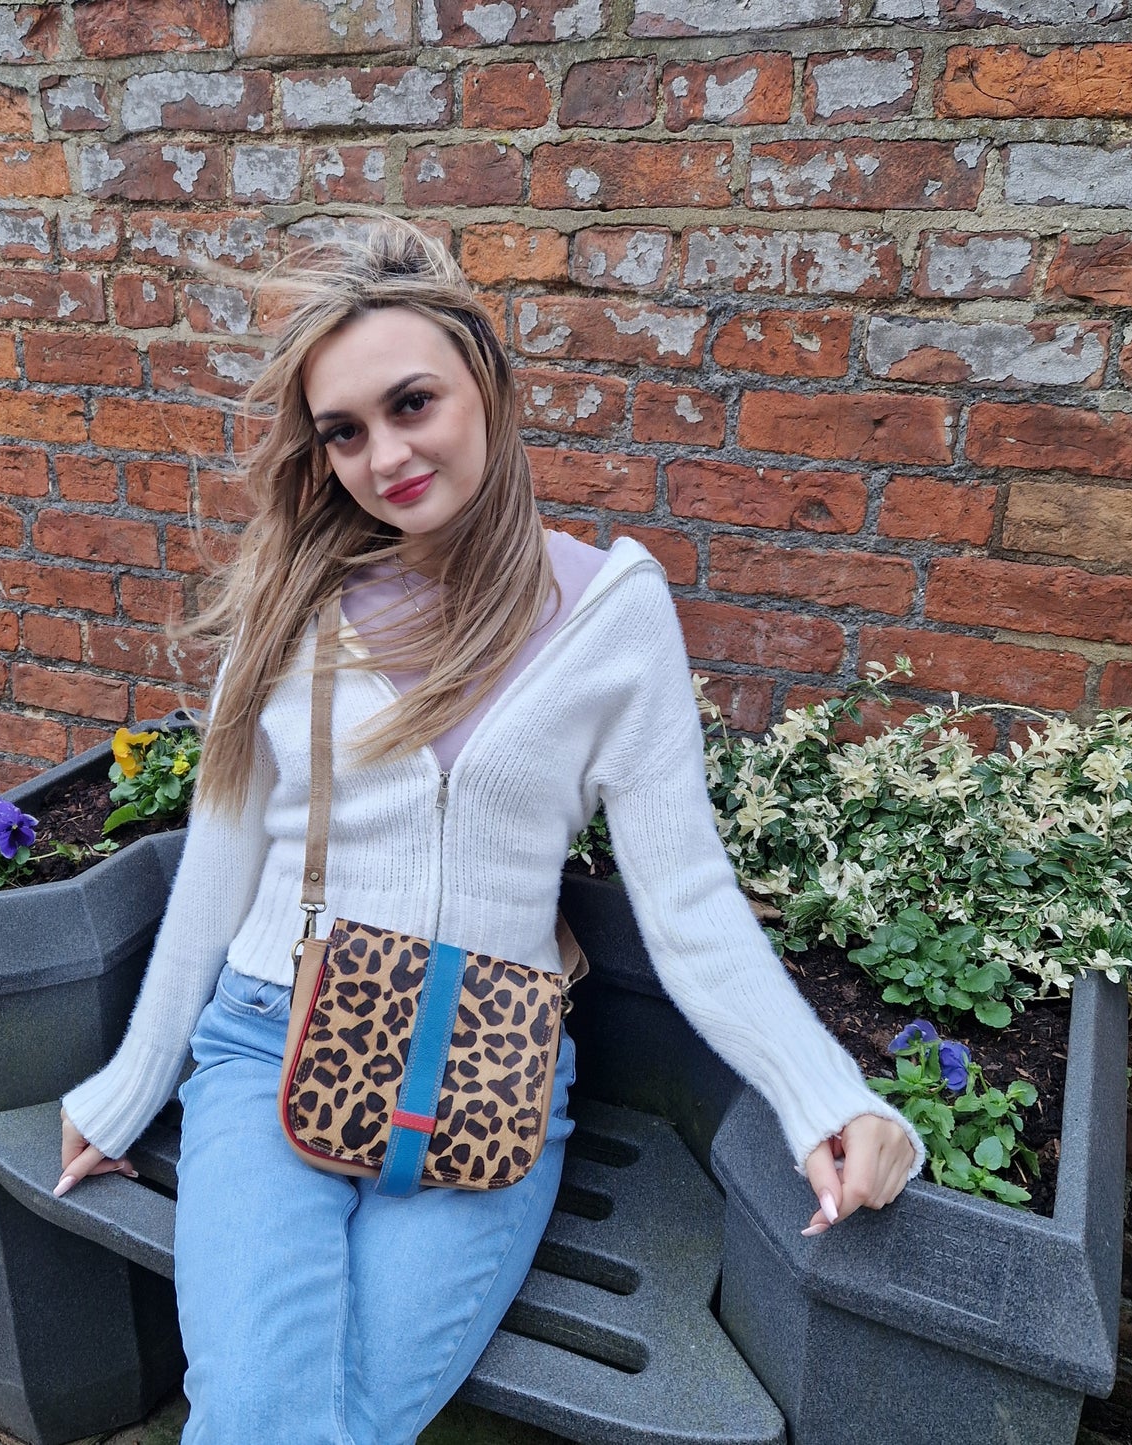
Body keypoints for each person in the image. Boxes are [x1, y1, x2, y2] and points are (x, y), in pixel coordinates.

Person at [55, 217, 923, 1444]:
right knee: (259, 1407)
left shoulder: (611, 612)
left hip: (487, 1069)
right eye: (343, 431)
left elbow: (685, 898)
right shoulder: (296, 602)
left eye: (412, 402)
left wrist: (826, 1098)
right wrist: (133, 1079)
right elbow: (224, 847)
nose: (383, 455)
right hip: (266, 1038)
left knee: (328, 1420)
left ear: (489, 384)